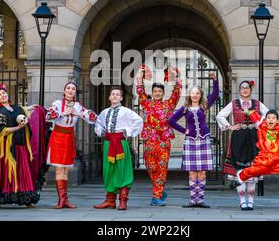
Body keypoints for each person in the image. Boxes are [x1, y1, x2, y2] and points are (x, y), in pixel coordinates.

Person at [0, 83, 47, 208]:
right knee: (2, 173)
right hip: (4, 149)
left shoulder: (15, 107)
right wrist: (18, 127)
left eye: (4, 93)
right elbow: (1, 131)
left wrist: (32, 107)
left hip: (19, 145)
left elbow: (21, 111)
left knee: (22, 172)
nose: (3, 95)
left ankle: (27, 200)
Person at [168, 72, 219, 208]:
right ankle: (192, 200)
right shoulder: (185, 108)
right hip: (190, 141)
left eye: (197, 93)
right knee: (192, 171)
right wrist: (184, 131)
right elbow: (171, 120)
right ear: (189, 95)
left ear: (200, 95)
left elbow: (215, 94)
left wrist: (215, 80)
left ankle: (200, 200)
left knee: (202, 171)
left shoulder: (204, 106)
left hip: (203, 140)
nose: (195, 95)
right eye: (193, 93)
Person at [216, 80, 268, 210]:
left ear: (251, 90)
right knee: (239, 169)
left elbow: (269, 115)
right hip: (238, 137)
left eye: (247, 88)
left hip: (253, 137)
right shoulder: (233, 104)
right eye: (242, 88)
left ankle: (250, 200)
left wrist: (260, 124)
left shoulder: (257, 104)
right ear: (239, 91)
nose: (245, 90)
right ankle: (242, 201)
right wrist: (230, 126)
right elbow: (220, 115)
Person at [46, 81, 98, 209]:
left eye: (73, 89)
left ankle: (65, 200)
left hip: (69, 137)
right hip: (58, 136)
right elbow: (48, 116)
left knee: (66, 169)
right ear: (64, 91)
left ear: (75, 92)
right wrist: (62, 113)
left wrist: (78, 114)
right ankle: (61, 200)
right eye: (68, 88)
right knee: (59, 168)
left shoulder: (78, 106)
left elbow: (93, 118)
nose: (70, 90)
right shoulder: (57, 104)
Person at [136, 66, 182, 206]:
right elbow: (140, 90)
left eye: (159, 91)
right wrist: (139, 76)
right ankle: (159, 190)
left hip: (164, 142)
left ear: (163, 93)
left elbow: (177, 92)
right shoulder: (146, 104)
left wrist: (176, 77)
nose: (157, 93)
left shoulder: (169, 105)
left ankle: (156, 196)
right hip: (150, 140)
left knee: (161, 169)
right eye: (155, 91)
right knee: (151, 168)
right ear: (152, 92)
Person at [93, 86, 143, 210]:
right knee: (108, 169)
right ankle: (110, 200)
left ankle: (123, 200)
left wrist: (126, 132)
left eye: (117, 94)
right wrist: (102, 133)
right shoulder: (104, 112)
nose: (115, 96)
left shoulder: (126, 111)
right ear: (109, 97)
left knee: (122, 169)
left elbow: (139, 121)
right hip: (109, 143)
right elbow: (98, 124)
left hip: (121, 143)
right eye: (113, 94)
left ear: (121, 98)